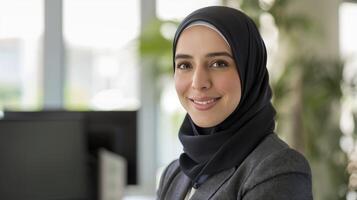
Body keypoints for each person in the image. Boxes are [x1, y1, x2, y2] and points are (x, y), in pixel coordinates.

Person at [157, 6, 313, 200]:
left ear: (249, 71)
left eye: (218, 63)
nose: (198, 82)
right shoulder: (174, 174)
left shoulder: (278, 168)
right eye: (185, 65)